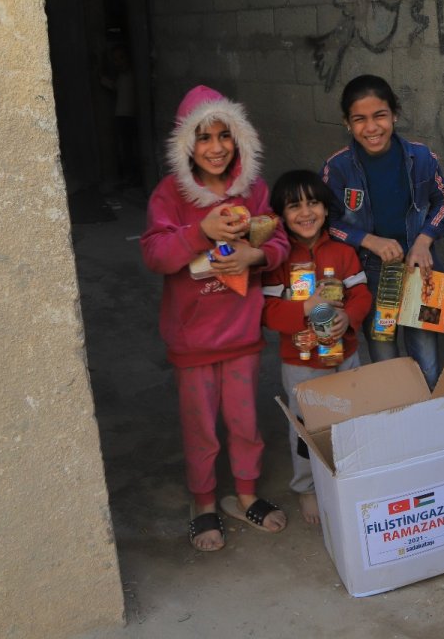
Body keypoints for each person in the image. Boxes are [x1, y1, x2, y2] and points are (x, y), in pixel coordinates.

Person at [140, 84, 290, 551]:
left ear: (239, 137)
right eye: (203, 137)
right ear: (186, 144)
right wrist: (199, 232)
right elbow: (156, 255)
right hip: (193, 341)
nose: (216, 147)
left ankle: (245, 494)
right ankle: (203, 501)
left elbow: (278, 240)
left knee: (245, 422)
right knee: (201, 428)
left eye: (225, 135)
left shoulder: (254, 190)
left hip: (241, 335)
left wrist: (255, 256)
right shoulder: (170, 194)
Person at [321, 74, 444, 388]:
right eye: (360, 119)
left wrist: (424, 240)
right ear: (347, 123)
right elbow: (327, 220)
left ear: (395, 114)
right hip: (371, 274)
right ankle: (396, 413)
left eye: (379, 115)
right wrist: (368, 240)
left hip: (422, 271)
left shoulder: (421, 158)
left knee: (427, 356)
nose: (372, 127)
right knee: (384, 357)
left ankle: (428, 413)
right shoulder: (337, 168)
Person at [261, 170, 373, 525]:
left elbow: (361, 294)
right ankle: (306, 487)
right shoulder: (277, 260)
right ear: (280, 215)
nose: (306, 212)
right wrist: (306, 307)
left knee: (349, 417)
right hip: (301, 362)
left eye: (313, 203)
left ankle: (348, 474)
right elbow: (267, 311)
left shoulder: (343, 253)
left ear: (326, 209)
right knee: (305, 427)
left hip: (346, 354)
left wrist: (349, 317)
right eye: (294, 206)